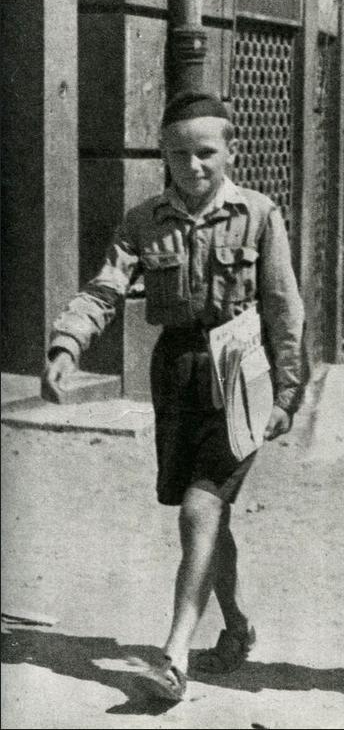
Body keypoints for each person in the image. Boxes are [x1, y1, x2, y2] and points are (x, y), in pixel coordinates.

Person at [43, 91, 306, 701]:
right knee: (205, 518)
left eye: (207, 153)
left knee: (199, 509)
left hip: (242, 372)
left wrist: (288, 391)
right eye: (180, 155)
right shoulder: (142, 221)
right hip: (179, 374)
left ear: (230, 152)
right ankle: (236, 628)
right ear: (165, 155)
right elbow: (105, 290)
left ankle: (174, 654)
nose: (194, 167)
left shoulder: (260, 215)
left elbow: (283, 308)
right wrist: (66, 345)